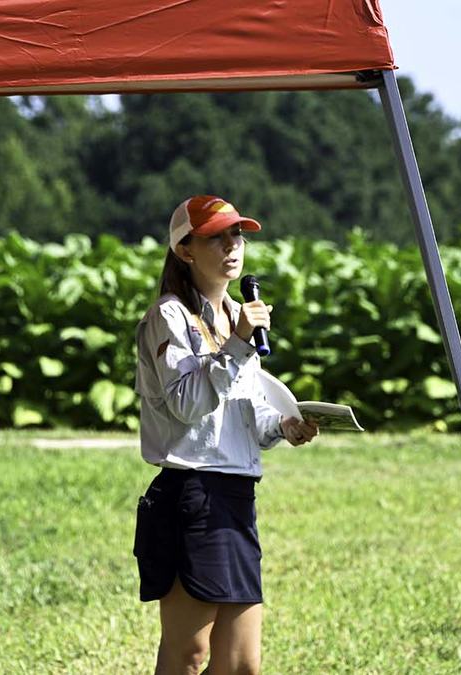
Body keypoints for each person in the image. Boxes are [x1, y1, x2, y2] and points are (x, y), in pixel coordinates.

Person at [133, 194, 320, 675]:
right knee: (187, 655)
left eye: (236, 234)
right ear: (185, 250)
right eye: (216, 236)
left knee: (242, 664)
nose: (232, 245)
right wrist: (236, 342)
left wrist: (284, 426)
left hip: (236, 495)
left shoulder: (239, 315)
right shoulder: (169, 317)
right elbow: (186, 404)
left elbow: (245, 415)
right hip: (191, 492)